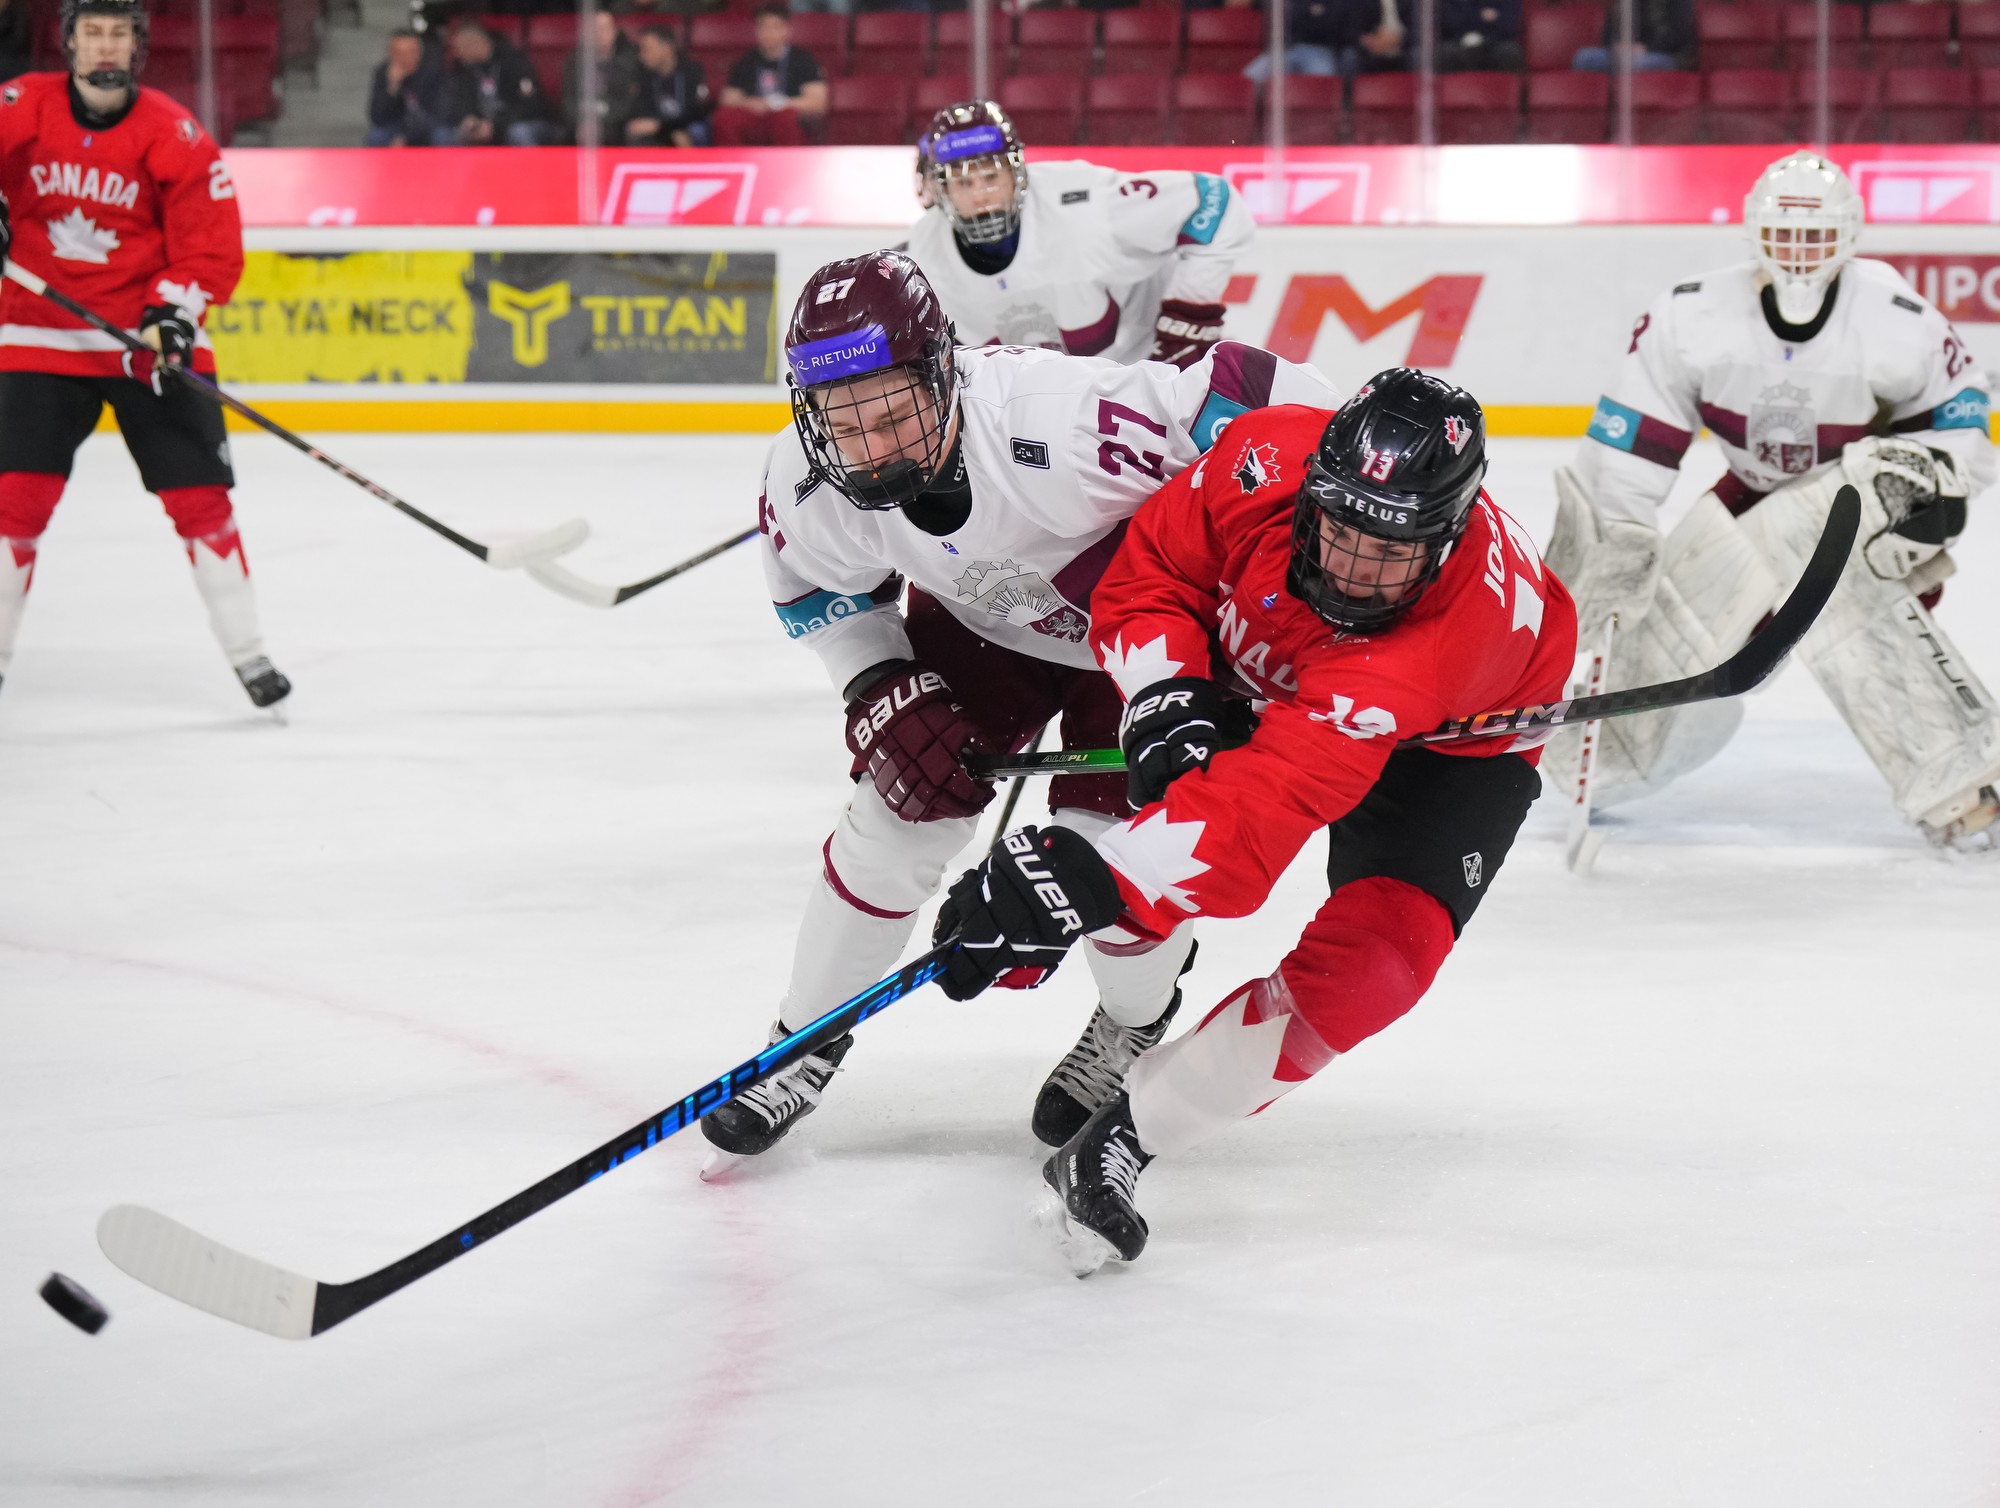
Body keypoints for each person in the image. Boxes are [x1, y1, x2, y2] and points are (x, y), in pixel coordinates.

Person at [696, 250, 1343, 1166]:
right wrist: (876, 683)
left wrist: (1284, 622)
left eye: (895, 415)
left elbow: (1268, 397)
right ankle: (801, 1040)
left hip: (1140, 628)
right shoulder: (803, 481)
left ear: (944, 373)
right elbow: (817, 593)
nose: (874, 450)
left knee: (1112, 864)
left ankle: (1134, 1019)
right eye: (845, 424)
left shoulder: (1056, 421)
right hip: (983, 623)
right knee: (893, 821)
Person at [925, 370, 1578, 1271]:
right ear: (1312, 492)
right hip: (1305, 681)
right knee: (1166, 804)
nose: (1352, 572)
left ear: (1444, 541)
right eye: (1339, 533)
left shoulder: (1439, 643)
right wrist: (1165, 689)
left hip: (1453, 742)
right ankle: (1134, 1001)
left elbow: (1262, 810)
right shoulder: (1263, 457)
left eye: (1388, 556)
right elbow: (1153, 569)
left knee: (1382, 964)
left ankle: (1130, 1133)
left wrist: (1091, 881)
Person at [1546, 151, 1999, 851]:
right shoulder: (1692, 314)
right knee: (1673, 635)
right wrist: (1617, 537)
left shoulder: (1896, 317)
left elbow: (1960, 424)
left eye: (1815, 236)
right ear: (1754, 232)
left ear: (1849, 237)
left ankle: (1963, 781)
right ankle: (1606, 761)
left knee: (1840, 587)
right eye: (1785, 234)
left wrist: (1929, 496)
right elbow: (1629, 443)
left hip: (1860, 509)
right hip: (1751, 493)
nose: (1799, 251)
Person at [0, 0, 289, 707]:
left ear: (138, 47)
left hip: (142, 342)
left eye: (119, 34)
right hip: (39, 334)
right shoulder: (19, 106)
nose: (105, 46)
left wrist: (173, 316)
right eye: (92, 32)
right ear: (69, 43)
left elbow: (209, 244)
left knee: (201, 500)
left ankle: (249, 654)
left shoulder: (175, 133)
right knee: (13, 504)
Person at [902, 101, 1255, 370]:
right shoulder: (922, 256)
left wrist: (1187, 324)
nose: (981, 195)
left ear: (1017, 172)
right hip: (1051, 406)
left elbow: (1213, 199)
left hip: (1146, 373)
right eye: (963, 182)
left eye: (991, 177)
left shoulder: (1082, 200)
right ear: (941, 189)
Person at [708, 4, 824, 147]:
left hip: (786, 114)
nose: (768, 33)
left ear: (787, 30)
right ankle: (733, 160)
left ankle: (786, 161)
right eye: (763, 27)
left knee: (785, 118)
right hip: (754, 115)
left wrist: (779, 103)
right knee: (724, 118)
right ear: (756, 31)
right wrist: (748, 103)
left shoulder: (803, 60)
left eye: (775, 27)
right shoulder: (745, 61)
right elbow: (728, 99)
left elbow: (818, 102)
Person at [435, 18, 550, 147]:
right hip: (481, 125)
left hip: (515, 122)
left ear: (476, 44)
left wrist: (496, 125)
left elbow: (530, 105)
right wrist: (468, 119)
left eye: (460, 48)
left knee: (519, 133)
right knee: (444, 135)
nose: (457, 54)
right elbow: (458, 101)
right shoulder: (461, 69)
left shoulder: (514, 61)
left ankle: (532, 161)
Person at [562, 9, 642, 144]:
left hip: (616, 125)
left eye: (605, 28)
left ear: (614, 32)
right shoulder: (574, 62)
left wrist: (601, 122)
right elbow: (568, 101)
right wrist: (581, 121)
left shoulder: (629, 62)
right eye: (595, 29)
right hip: (580, 125)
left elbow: (628, 104)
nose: (599, 33)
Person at [622, 25, 710, 146]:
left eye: (646, 49)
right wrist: (664, 127)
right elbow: (643, 112)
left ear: (667, 48)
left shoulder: (692, 71)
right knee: (636, 131)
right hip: (660, 130)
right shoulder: (643, 75)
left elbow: (697, 111)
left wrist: (666, 126)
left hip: (684, 126)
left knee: (696, 130)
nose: (641, 56)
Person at [365, 28, 445, 147]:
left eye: (410, 52)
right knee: (376, 137)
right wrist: (392, 87)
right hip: (396, 125)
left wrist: (406, 137)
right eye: (398, 53)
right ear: (390, 53)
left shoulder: (433, 72)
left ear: (419, 53)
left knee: (442, 135)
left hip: (425, 126)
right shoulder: (383, 73)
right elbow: (377, 117)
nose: (404, 58)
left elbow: (437, 114)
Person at [1571, 0, 1692, 72]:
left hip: (1668, 55)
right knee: (1583, 58)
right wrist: (1616, 46)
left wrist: (1645, 48)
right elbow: (1609, 32)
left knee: (1632, 64)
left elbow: (1679, 34)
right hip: (1627, 53)